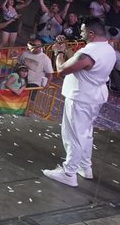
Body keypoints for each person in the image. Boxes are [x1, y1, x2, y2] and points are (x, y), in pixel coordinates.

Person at [43, 18, 115, 187]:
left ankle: (69, 172)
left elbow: (62, 69)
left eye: (83, 32)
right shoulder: (108, 48)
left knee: (74, 135)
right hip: (93, 97)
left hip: (81, 97)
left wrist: (58, 52)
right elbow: (79, 63)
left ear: (92, 33)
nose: (80, 35)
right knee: (85, 133)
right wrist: (66, 48)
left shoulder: (88, 53)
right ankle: (85, 167)